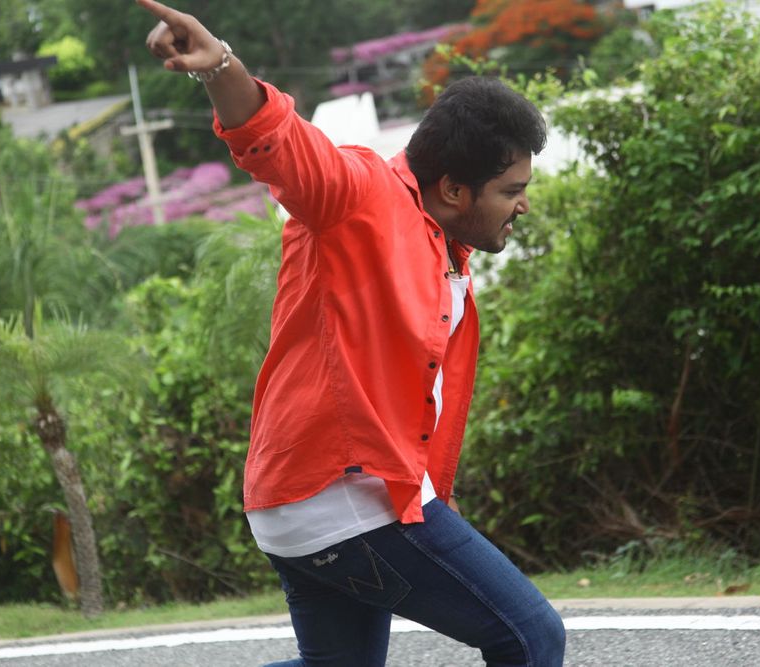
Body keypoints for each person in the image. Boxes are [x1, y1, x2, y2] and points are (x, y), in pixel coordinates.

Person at [137, 1, 567, 665]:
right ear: (455, 189)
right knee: (531, 636)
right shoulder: (361, 195)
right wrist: (221, 67)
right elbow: (282, 143)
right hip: (344, 497)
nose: (524, 205)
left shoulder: (446, 240)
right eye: (511, 191)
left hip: (308, 500)